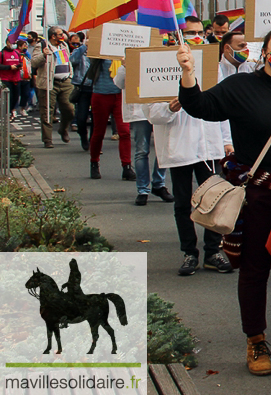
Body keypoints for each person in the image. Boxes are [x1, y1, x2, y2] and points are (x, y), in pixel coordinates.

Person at [177, 26, 271, 378]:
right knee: (254, 270)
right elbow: (199, 106)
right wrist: (188, 74)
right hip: (257, 194)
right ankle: (256, 342)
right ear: (264, 51)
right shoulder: (240, 87)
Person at [147, 95, 233, 275]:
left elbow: (222, 107)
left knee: (214, 201)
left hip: (208, 149)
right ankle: (189, 253)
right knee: (183, 204)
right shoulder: (161, 76)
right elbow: (151, 115)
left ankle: (212, 251)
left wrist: (227, 141)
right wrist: (169, 109)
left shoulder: (210, 71)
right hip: (179, 149)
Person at [112, 66, 172, 207]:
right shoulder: (128, 61)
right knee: (142, 150)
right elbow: (119, 83)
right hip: (139, 112)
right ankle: (143, 190)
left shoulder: (158, 57)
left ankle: (158, 184)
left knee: (162, 149)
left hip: (160, 108)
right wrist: (126, 66)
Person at [87, 54, 134, 181]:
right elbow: (91, 58)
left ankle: (127, 166)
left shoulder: (124, 52)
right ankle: (94, 162)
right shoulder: (101, 52)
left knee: (124, 132)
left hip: (120, 95)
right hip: (101, 94)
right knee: (99, 132)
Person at [32, 26, 75, 149]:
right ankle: (47, 139)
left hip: (65, 81)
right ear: (53, 36)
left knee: (70, 109)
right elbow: (34, 63)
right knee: (47, 112)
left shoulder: (64, 46)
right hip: (48, 83)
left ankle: (63, 129)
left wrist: (70, 75)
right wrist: (43, 55)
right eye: (60, 34)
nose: (63, 36)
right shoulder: (42, 46)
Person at [70, 33, 94, 150]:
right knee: (81, 117)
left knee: (97, 119)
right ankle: (83, 136)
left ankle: (93, 142)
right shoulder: (79, 51)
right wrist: (84, 47)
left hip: (96, 88)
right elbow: (73, 60)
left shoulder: (99, 52)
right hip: (83, 88)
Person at [1, 39, 22, 121]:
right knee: (8, 98)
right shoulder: (2, 53)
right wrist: (9, 67)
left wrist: (19, 66)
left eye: (15, 43)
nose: (14, 45)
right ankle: (8, 113)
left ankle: (12, 110)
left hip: (16, 79)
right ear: (7, 42)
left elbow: (20, 62)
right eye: (12, 43)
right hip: (6, 79)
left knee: (15, 98)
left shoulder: (17, 53)